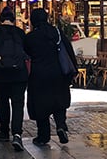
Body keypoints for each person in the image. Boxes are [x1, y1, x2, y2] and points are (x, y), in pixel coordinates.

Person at [24, 8, 77, 147]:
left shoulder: (30, 37)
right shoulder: (57, 33)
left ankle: (43, 136)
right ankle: (61, 126)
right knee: (59, 102)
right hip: (58, 73)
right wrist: (72, 72)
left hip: (38, 75)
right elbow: (69, 50)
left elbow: (26, 55)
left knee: (41, 106)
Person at [0, 7, 28, 151]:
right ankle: (17, 134)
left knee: (3, 103)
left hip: (1, 74)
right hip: (19, 74)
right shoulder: (21, 32)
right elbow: (26, 51)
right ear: (13, 19)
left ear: (1, 18)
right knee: (18, 104)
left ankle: (4, 132)